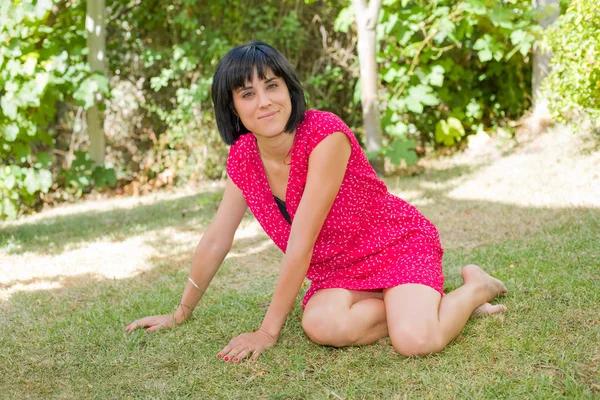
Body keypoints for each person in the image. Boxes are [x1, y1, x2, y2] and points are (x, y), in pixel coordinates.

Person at [125, 41, 508, 362]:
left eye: (272, 86)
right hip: (340, 271)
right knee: (319, 325)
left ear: (288, 88)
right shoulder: (244, 157)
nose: (264, 102)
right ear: (233, 109)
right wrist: (180, 312)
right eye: (247, 94)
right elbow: (216, 239)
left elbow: (301, 242)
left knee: (415, 342)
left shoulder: (325, 136)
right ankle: (415, 304)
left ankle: (475, 288)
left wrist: (266, 332)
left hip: (395, 245)